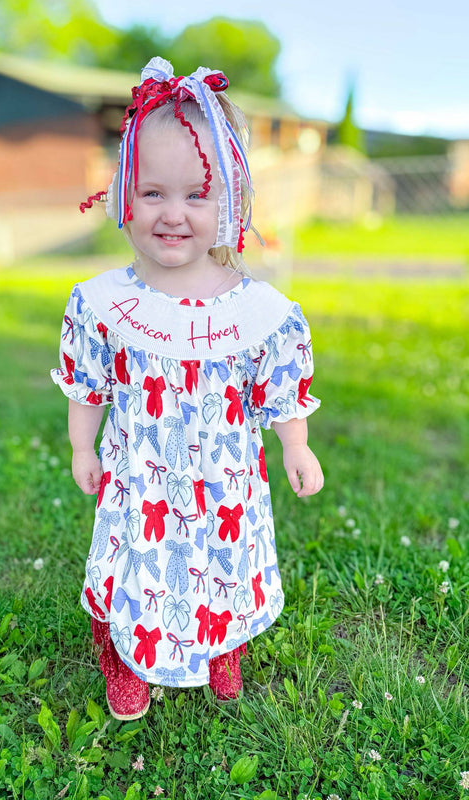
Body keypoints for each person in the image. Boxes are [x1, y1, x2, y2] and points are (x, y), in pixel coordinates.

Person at [51, 56, 323, 720]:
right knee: (141, 565)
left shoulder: (255, 310)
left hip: (225, 478)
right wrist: (82, 450)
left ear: (227, 199)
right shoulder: (105, 303)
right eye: (153, 193)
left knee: (222, 558)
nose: (174, 214)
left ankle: (218, 639)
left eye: (196, 195)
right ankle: (126, 649)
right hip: (143, 483)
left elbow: (279, 384)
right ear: (123, 193)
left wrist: (297, 447)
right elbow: (87, 385)